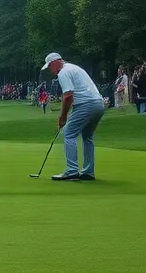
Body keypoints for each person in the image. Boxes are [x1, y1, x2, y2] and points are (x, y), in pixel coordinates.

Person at [43, 53, 104, 181]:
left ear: (54, 63)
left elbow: (68, 96)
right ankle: (88, 171)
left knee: (68, 133)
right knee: (87, 136)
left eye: (49, 66)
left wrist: (63, 117)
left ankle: (72, 171)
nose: (50, 70)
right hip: (98, 104)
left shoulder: (63, 72)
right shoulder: (74, 67)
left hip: (86, 104)